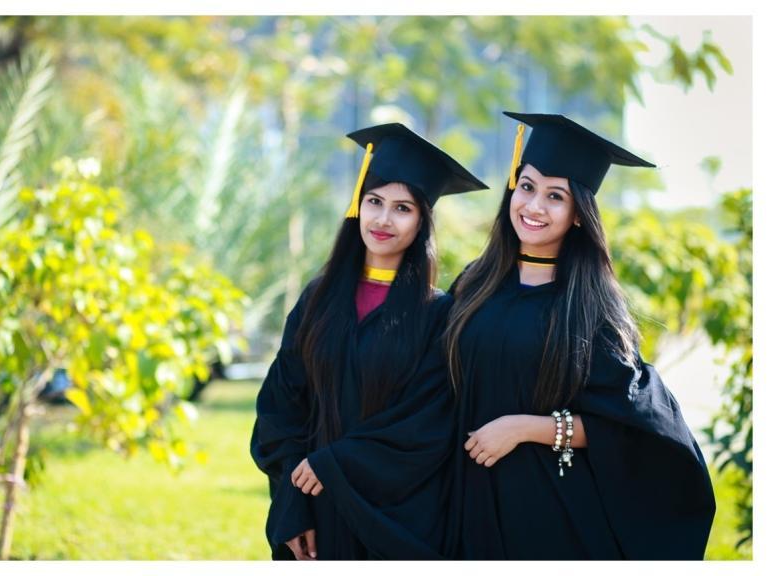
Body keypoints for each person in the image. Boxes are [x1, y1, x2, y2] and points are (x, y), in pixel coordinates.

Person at [444, 112, 716, 560]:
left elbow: (632, 427)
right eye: (527, 187)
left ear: (577, 215)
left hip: (549, 514)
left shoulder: (590, 308)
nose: (534, 206)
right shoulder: (474, 284)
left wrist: (524, 428)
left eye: (556, 196)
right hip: (467, 501)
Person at [250, 123, 488, 560]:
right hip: (314, 506)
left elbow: (426, 425)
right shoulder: (318, 299)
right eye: (374, 201)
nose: (382, 219)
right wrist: (293, 504)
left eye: (402, 208)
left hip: (396, 520)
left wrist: (334, 464)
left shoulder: (437, 315)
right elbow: (280, 406)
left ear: (422, 222)